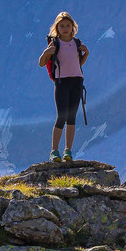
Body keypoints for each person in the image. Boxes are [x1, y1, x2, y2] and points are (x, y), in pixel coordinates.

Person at [39, 11, 89, 163]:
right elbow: (42, 63)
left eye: (68, 25)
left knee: (71, 118)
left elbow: (76, 64)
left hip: (76, 82)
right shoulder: (54, 44)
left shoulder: (76, 43)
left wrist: (86, 53)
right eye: (62, 26)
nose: (65, 28)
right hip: (62, 83)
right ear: (57, 28)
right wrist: (46, 52)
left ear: (73, 27)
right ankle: (54, 151)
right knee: (61, 117)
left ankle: (68, 151)